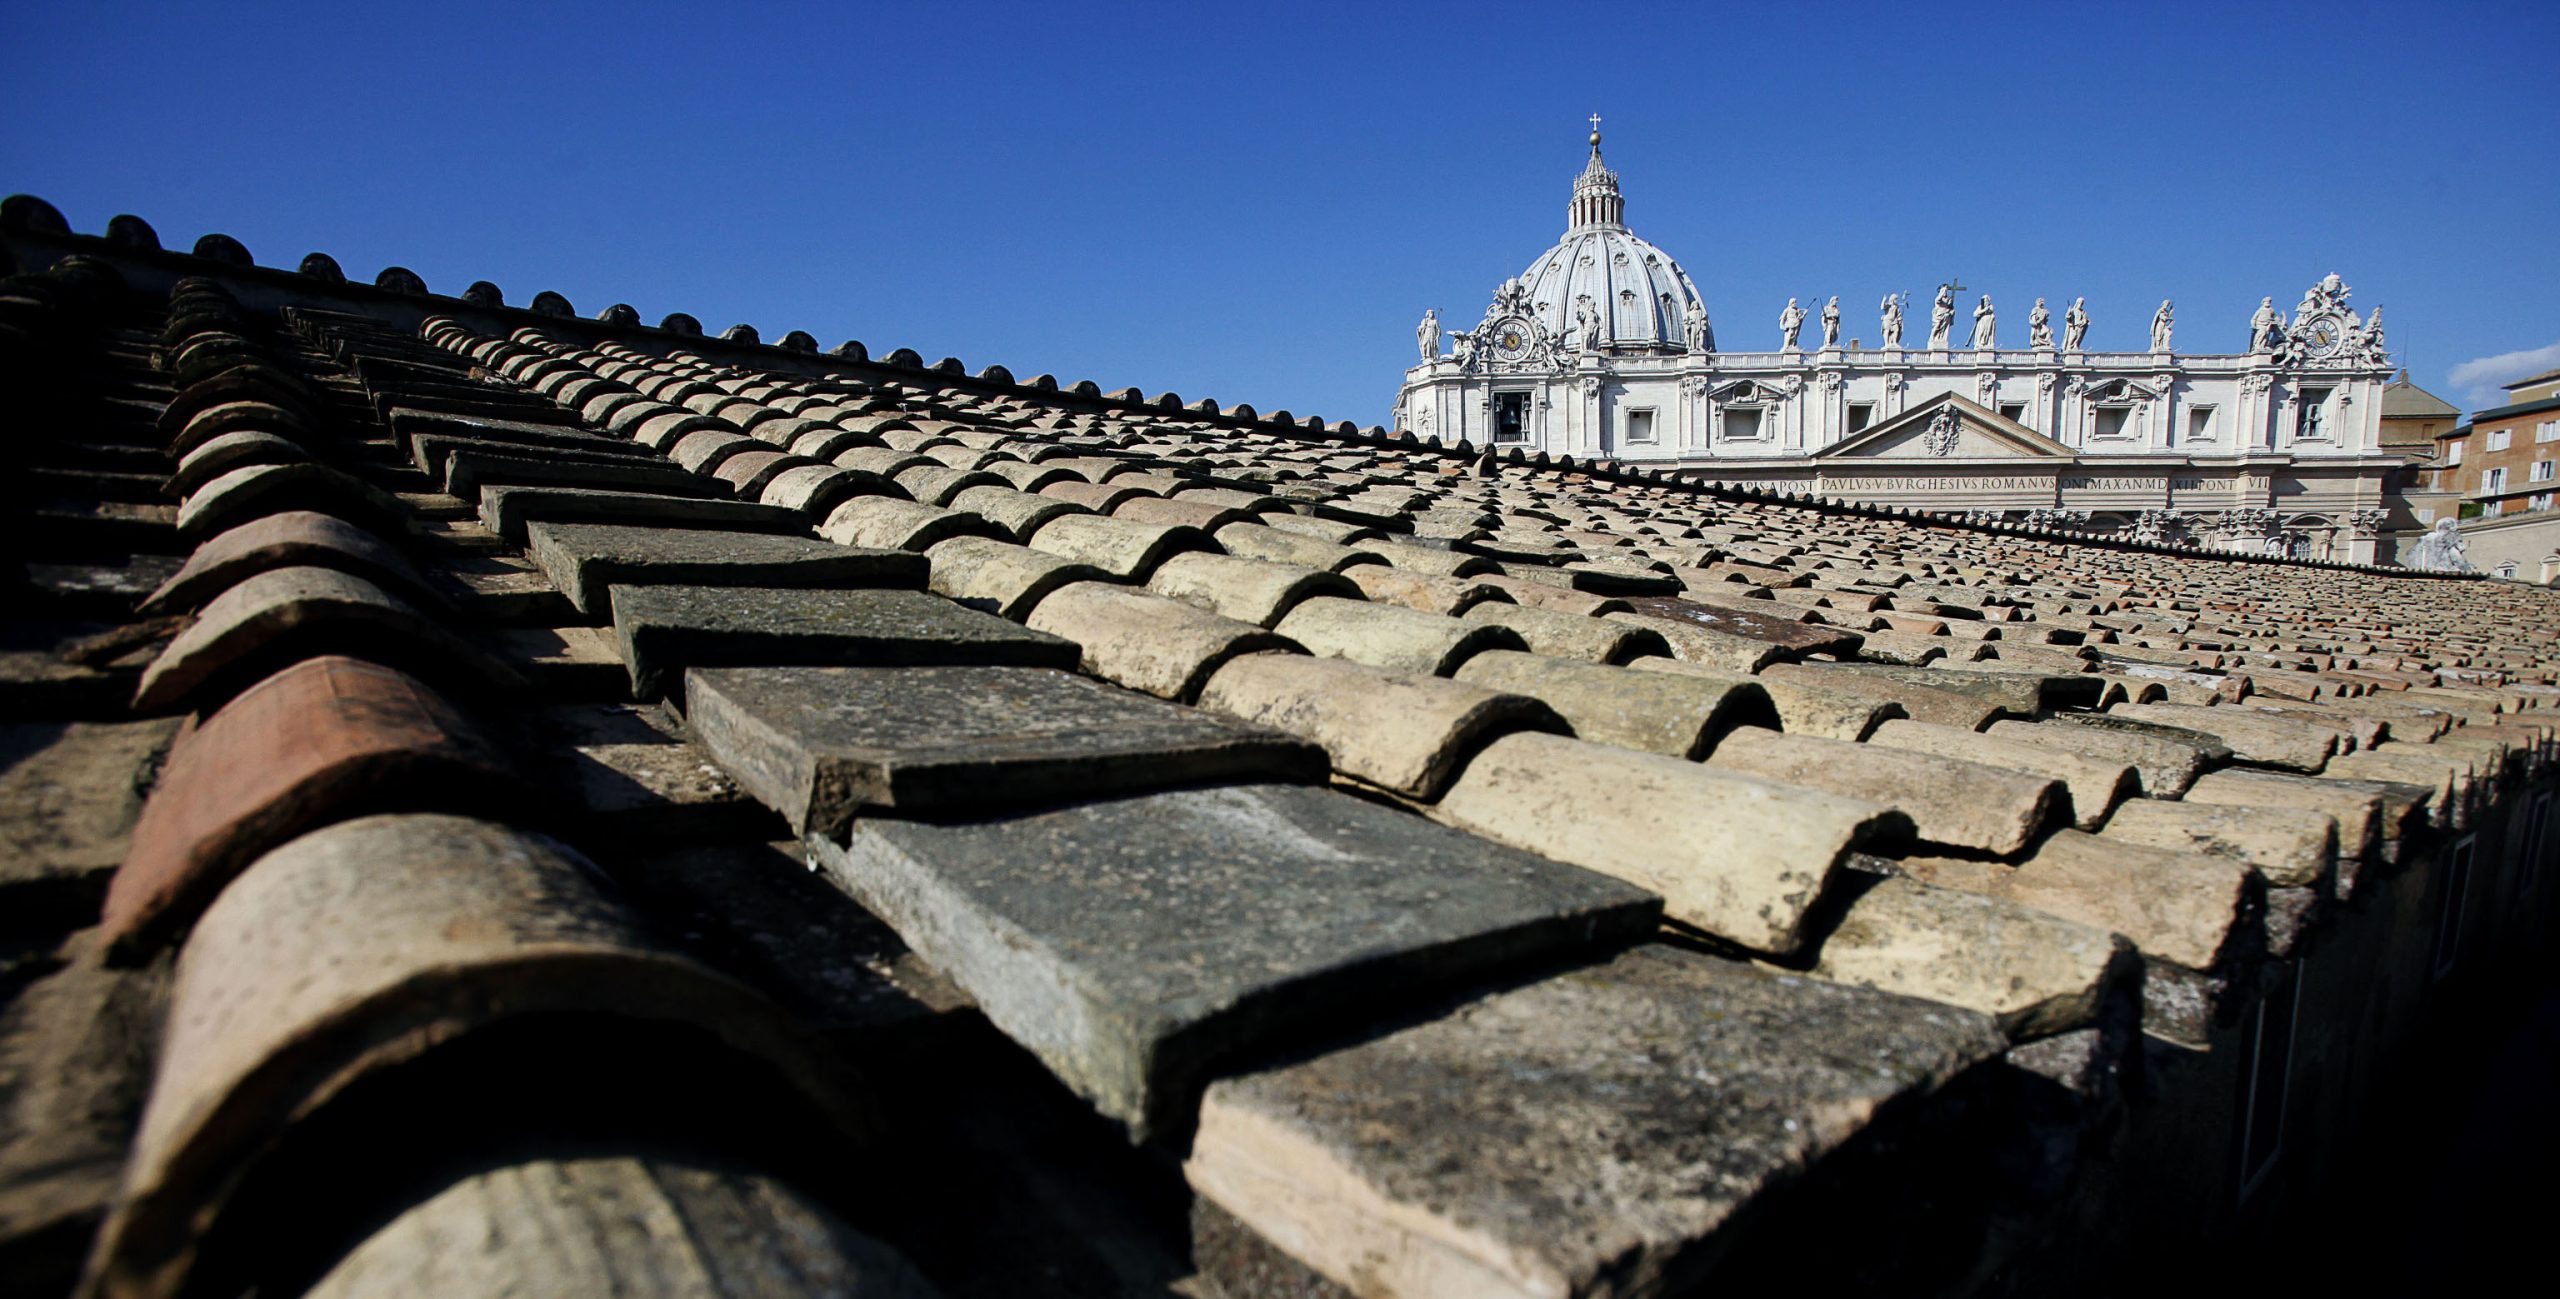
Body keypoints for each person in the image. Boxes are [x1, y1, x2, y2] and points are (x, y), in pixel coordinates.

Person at [1928, 284, 1955, 349]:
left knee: (1945, 328)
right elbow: (1938, 301)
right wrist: (1942, 293)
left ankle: (1942, 339)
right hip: (1939, 314)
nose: (1945, 292)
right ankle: (1932, 338)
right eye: (1944, 290)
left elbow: (1951, 307)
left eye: (1946, 291)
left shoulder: (1949, 299)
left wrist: (1952, 311)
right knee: (1937, 326)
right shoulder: (1938, 298)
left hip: (1947, 315)